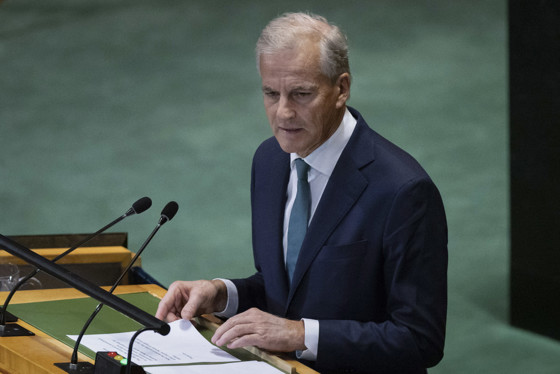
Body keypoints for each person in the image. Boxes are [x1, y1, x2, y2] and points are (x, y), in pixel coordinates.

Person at [156, 12, 448, 374]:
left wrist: (301, 334)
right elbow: (289, 288)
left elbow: (420, 340)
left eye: (301, 94)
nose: (283, 112)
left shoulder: (403, 191)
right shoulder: (270, 160)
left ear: (341, 89)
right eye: (270, 93)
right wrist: (221, 294)